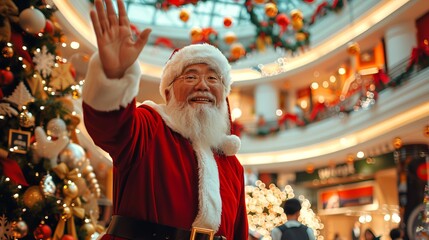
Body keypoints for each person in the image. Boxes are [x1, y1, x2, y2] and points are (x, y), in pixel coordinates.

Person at [81, 0, 249, 239]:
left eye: (213, 79)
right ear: (168, 92)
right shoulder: (149, 126)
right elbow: (110, 127)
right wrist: (114, 77)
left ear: (223, 95)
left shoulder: (232, 165)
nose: (203, 86)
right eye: (190, 77)